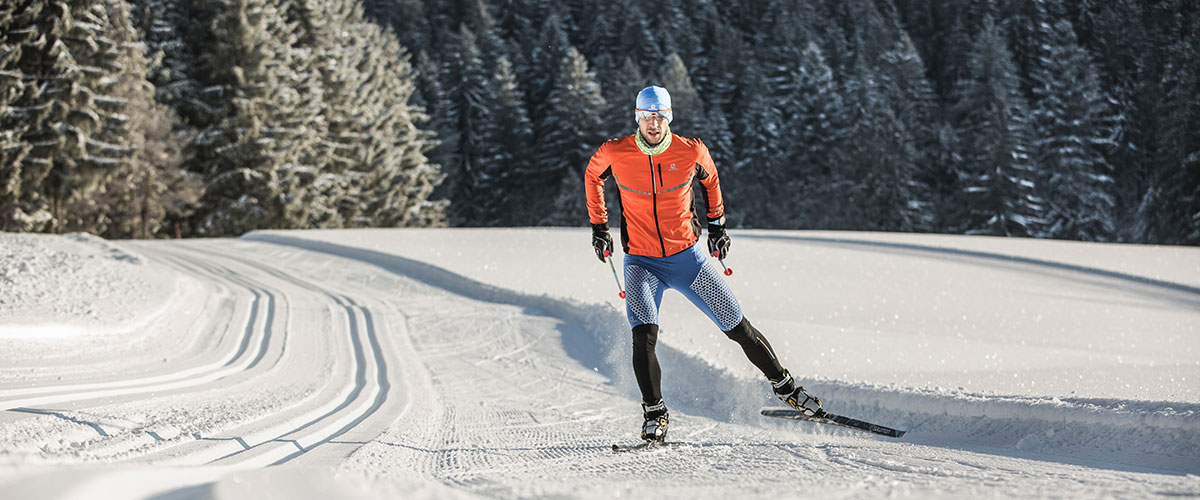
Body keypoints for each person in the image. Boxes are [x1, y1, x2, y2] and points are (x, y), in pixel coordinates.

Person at [584, 85, 823, 442]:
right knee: (643, 335)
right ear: (637, 117)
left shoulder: (690, 150)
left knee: (736, 326)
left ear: (669, 117)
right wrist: (599, 227)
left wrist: (718, 226)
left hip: (689, 259)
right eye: (647, 116)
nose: (653, 123)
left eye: (660, 116)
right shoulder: (616, 153)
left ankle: (786, 388)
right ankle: (655, 413)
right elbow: (592, 176)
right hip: (641, 264)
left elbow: (710, 179)